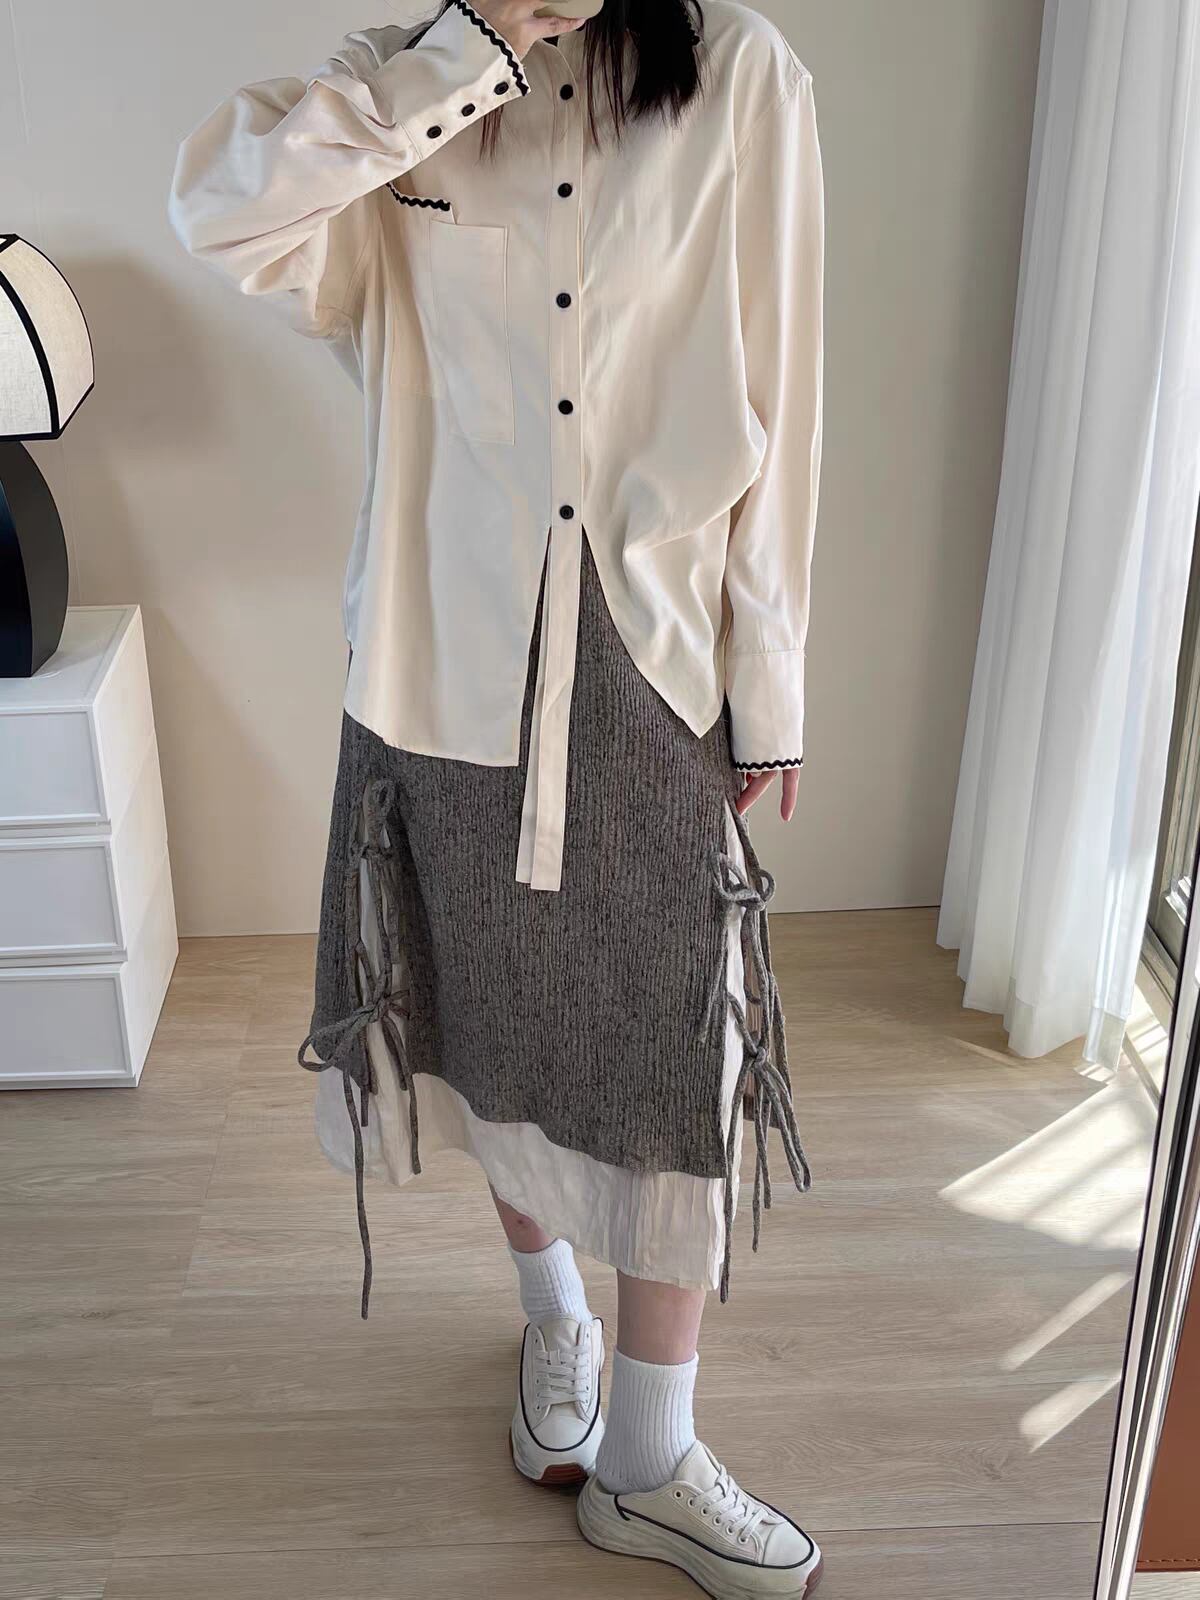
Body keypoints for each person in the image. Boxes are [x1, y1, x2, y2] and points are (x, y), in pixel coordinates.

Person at [168, 0, 824, 1592]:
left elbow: (785, 384)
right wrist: (465, 61)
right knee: (480, 1014)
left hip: (652, 656)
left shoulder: (743, 74)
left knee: (677, 1042)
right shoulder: (395, 84)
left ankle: (651, 1458)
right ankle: (556, 1326)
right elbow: (223, 212)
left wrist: (771, 674)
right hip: (443, 653)